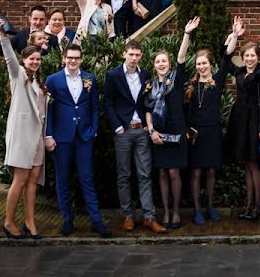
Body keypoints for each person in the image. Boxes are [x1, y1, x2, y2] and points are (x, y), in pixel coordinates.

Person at [0, 19, 47, 240]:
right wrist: (3, 37)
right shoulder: (18, 75)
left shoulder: (38, 81)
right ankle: (8, 221)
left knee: (32, 180)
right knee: (19, 180)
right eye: (32, 59)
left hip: (37, 138)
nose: (35, 62)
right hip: (22, 136)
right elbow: (10, 60)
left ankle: (30, 222)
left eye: (38, 59)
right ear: (24, 60)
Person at [44, 44, 111, 237]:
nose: (73, 61)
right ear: (64, 58)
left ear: (81, 59)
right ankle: (67, 219)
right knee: (63, 179)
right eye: (70, 57)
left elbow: (94, 107)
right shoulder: (53, 80)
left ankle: (96, 220)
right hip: (61, 137)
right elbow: (49, 110)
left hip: (84, 137)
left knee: (87, 178)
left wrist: (94, 130)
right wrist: (48, 135)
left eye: (76, 58)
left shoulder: (89, 78)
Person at [103, 40, 166, 234]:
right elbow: (108, 103)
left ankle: (149, 217)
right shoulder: (113, 75)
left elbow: (147, 102)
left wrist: (149, 127)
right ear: (124, 54)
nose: (134, 58)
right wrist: (117, 128)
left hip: (142, 132)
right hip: (123, 132)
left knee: (145, 174)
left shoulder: (145, 74)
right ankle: (128, 216)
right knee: (124, 175)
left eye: (137, 55)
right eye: (131, 54)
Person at [144, 17, 198, 229]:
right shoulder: (149, 84)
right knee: (162, 173)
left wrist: (186, 34)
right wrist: (151, 131)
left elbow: (183, 56)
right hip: (157, 133)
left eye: (164, 61)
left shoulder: (176, 78)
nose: (161, 64)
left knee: (174, 172)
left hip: (176, 130)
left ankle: (176, 211)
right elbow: (147, 110)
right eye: (158, 61)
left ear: (169, 63)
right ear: (154, 64)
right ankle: (165, 211)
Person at [224, 16, 260, 221]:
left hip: (255, 123)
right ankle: (249, 204)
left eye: (252, 56)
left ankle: (257, 206)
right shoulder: (240, 72)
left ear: (258, 57)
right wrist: (234, 35)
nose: (249, 59)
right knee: (246, 163)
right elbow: (225, 58)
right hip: (240, 122)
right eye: (246, 55)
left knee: (254, 164)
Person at [185, 30, 234, 225]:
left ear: (210, 64)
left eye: (204, 63)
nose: (201, 66)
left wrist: (234, 36)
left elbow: (227, 56)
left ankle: (210, 206)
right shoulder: (190, 85)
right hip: (196, 133)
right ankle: (197, 208)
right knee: (196, 171)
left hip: (213, 132)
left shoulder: (218, 81)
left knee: (212, 171)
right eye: (198, 63)